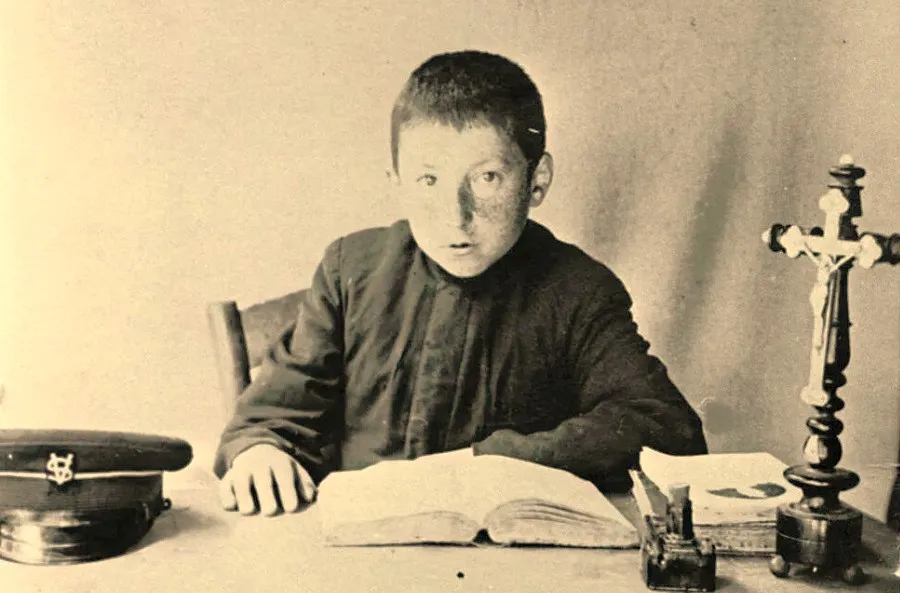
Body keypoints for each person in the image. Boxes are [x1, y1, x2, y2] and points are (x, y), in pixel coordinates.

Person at [214, 50, 708, 516]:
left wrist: (493, 461)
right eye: (429, 180)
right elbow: (273, 414)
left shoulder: (580, 290)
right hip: (361, 548)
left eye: (487, 178)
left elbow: (666, 427)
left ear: (537, 181)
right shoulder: (351, 269)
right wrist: (260, 449)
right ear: (397, 180)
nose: (455, 217)